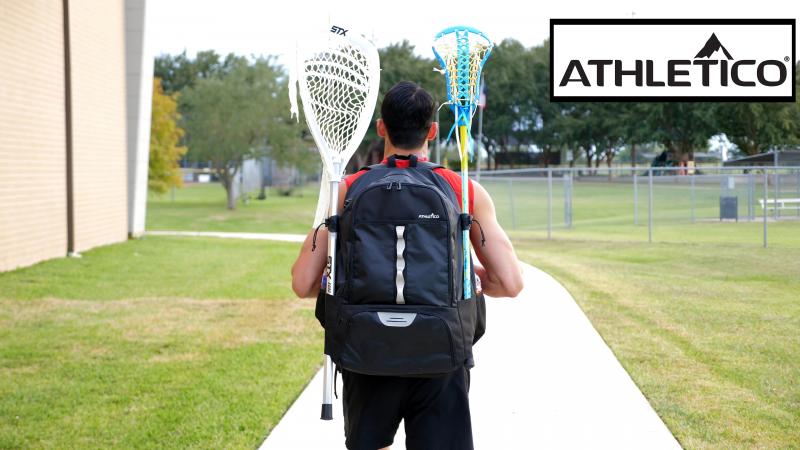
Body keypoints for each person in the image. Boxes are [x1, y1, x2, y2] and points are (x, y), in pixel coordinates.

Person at [291, 81, 523, 450]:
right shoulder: (463, 190)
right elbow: (510, 283)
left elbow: (303, 283)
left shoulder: (347, 188)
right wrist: (466, 278)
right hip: (441, 352)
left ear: (381, 127)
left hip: (365, 351)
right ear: (432, 130)